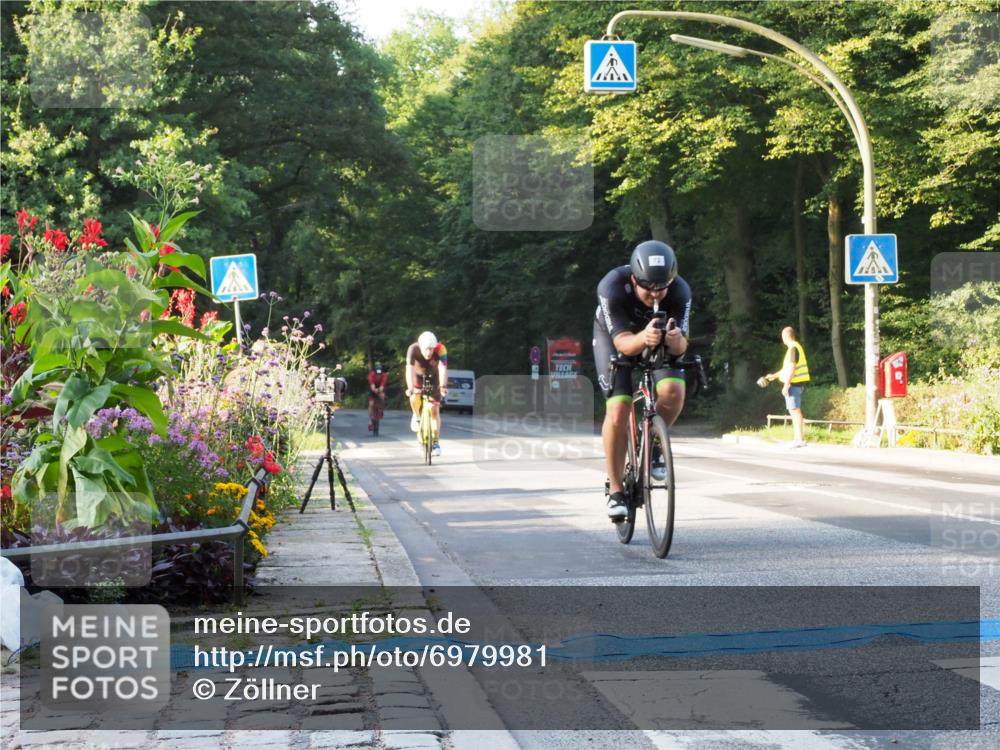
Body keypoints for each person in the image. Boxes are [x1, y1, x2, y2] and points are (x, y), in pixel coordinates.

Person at [594, 240, 692, 521]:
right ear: (634, 278)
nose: (656, 294)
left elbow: (683, 343)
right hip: (616, 338)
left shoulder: (680, 290)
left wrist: (676, 343)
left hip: (658, 337)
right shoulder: (612, 286)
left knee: (673, 392)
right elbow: (624, 344)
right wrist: (643, 338)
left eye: (662, 288)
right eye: (648, 288)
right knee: (618, 409)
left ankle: (654, 443)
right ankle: (615, 490)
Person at [761, 326, 810, 447]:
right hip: (795, 383)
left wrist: (786, 385)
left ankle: (799, 439)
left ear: (786, 336)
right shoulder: (793, 348)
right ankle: (798, 438)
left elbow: (792, 368)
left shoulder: (793, 348)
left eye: (783, 336)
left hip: (794, 384)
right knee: (794, 410)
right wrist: (773, 376)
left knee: (795, 411)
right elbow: (786, 369)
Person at [405, 331, 448, 457]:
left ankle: (435, 443)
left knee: (434, 409)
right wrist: (410, 388)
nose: (429, 352)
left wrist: (443, 386)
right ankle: (417, 415)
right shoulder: (413, 349)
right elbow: (409, 370)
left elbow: (443, 368)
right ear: (421, 346)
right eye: (426, 349)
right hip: (417, 377)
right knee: (414, 396)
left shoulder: (441, 349)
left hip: (434, 378)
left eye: (431, 349)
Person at [367, 362, 388, 432]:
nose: (379, 373)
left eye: (380, 370)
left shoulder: (384, 375)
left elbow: (383, 384)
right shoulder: (371, 374)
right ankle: (370, 420)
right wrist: (374, 389)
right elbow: (372, 384)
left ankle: (381, 409)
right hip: (372, 390)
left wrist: (380, 390)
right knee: (371, 404)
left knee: (382, 396)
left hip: (380, 390)